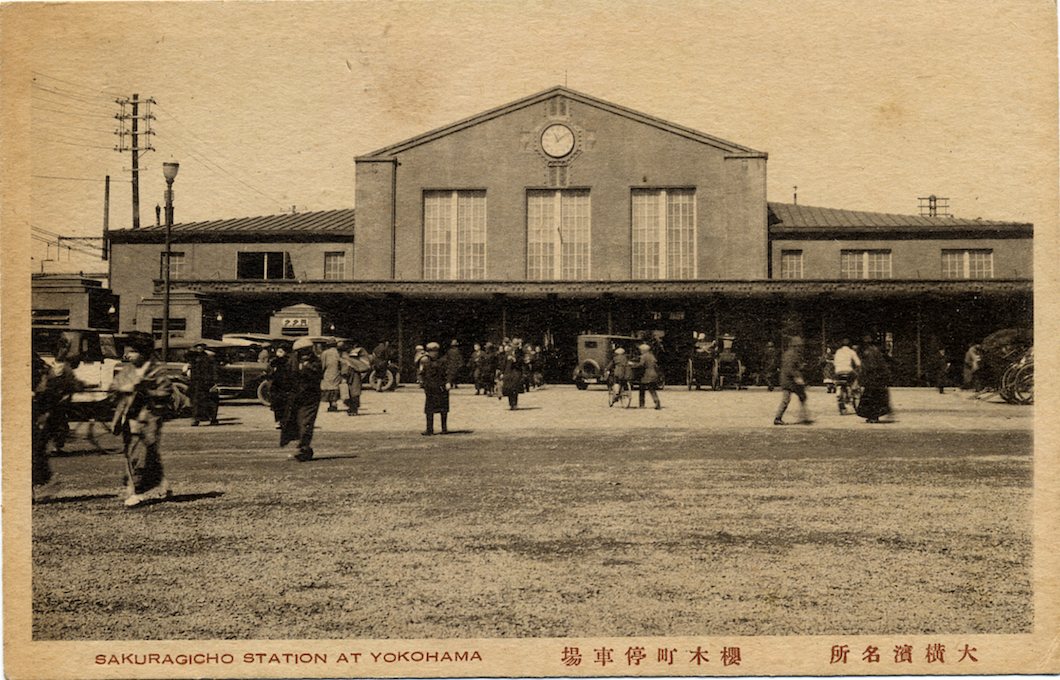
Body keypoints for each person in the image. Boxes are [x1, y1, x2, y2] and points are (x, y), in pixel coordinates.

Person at [109, 332, 173, 507]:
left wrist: (145, 391)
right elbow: (113, 389)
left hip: (148, 418)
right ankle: (156, 485)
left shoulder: (156, 371)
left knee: (141, 455)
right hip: (127, 417)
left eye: (133, 351)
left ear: (144, 353)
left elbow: (166, 392)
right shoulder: (126, 370)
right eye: (127, 351)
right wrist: (124, 388)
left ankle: (136, 491)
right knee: (133, 454)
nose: (128, 355)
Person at [280, 337, 324, 461]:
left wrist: (305, 368)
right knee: (295, 421)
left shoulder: (316, 362)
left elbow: (317, 374)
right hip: (296, 397)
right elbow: (287, 375)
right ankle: (303, 447)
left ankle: (303, 448)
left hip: (311, 397)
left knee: (306, 423)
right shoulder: (292, 361)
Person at [774, 336, 812, 425]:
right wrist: (798, 377)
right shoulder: (792, 354)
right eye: (799, 346)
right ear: (795, 346)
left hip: (787, 379)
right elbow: (790, 368)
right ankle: (778, 418)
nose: (801, 347)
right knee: (787, 399)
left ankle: (804, 416)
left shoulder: (790, 353)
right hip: (790, 380)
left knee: (801, 396)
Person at [856, 334, 893, 423]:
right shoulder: (876, 351)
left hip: (873, 378)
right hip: (878, 378)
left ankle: (872, 416)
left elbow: (869, 366)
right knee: (876, 398)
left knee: (871, 398)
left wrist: (862, 378)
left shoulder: (869, 352)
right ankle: (873, 416)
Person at [420, 342, 451, 435]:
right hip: (430, 388)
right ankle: (429, 429)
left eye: (435, 351)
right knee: (429, 410)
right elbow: (422, 373)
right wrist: (422, 382)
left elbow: (448, 372)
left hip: (441, 387)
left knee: (443, 410)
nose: (433, 353)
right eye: (431, 351)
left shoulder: (443, 361)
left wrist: (448, 382)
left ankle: (444, 428)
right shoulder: (425, 361)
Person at [187, 342, 220, 426]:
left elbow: (214, 370)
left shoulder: (209, 358)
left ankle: (212, 418)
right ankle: (196, 419)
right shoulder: (193, 358)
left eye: (201, 347)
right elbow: (187, 356)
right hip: (196, 383)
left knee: (211, 401)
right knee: (196, 402)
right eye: (197, 347)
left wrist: (215, 383)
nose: (199, 349)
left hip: (208, 382)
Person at [833, 338, 861, 414]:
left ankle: (841, 402)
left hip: (838, 372)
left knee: (839, 383)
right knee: (855, 382)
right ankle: (854, 393)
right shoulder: (851, 352)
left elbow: (835, 363)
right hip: (848, 371)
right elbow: (858, 363)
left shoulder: (838, 352)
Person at [341, 341, 370, 416]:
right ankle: (353, 409)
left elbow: (345, 368)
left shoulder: (347, 357)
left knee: (352, 393)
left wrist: (343, 376)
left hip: (351, 376)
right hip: (355, 375)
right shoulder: (358, 356)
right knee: (355, 393)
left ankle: (352, 409)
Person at [629, 343, 662, 409]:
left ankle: (641, 405)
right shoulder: (652, 356)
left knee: (642, 389)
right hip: (653, 373)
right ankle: (656, 400)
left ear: (644, 350)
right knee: (652, 389)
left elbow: (641, 365)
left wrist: (633, 365)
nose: (640, 351)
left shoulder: (643, 356)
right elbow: (656, 365)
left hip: (646, 375)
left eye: (641, 350)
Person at [268, 346, 289, 428]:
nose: (279, 353)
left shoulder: (288, 361)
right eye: (278, 351)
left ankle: (284, 421)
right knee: (277, 405)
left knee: (285, 404)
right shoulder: (274, 362)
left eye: (281, 351)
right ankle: (278, 421)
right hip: (276, 386)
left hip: (285, 385)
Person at [500, 339, 525, 410]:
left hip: (516, 372)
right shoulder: (508, 352)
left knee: (514, 388)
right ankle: (511, 403)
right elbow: (504, 363)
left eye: (515, 346)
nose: (514, 347)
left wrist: (515, 360)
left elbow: (521, 362)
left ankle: (515, 404)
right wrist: (502, 372)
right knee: (508, 388)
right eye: (513, 346)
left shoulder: (520, 353)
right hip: (508, 372)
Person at [320, 339, 343, 411]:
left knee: (329, 389)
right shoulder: (338, 353)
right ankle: (334, 404)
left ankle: (331, 405)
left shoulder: (325, 353)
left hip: (328, 372)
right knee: (335, 388)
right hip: (336, 372)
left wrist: (321, 372)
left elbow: (323, 364)